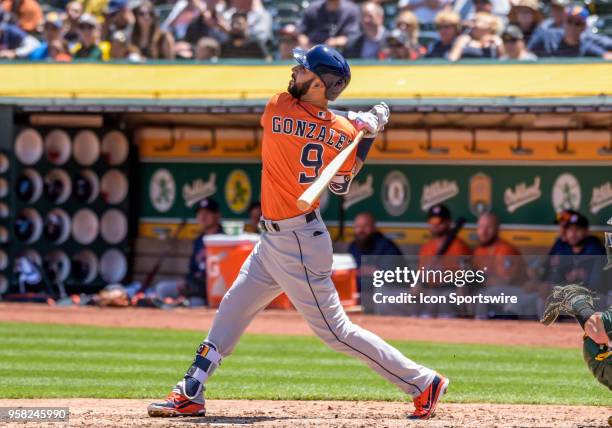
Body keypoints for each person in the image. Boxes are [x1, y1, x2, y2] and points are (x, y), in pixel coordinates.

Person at [148, 44, 449, 420]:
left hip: (297, 241)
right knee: (233, 307)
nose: (294, 70)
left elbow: (324, 145)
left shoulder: (282, 107)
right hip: (278, 239)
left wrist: (361, 127)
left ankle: (423, 382)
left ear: (321, 83)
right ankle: (191, 390)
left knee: (336, 332)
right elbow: (341, 182)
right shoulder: (335, 128)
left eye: (303, 69)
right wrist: (365, 132)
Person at [155, 197, 224, 306]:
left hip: (212, 291)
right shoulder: (199, 240)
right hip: (193, 286)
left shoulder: (225, 240)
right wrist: (186, 283)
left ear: (217, 215)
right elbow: (192, 269)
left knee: (195, 303)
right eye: (200, 213)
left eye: (207, 213)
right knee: (162, 289)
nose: (203, 217)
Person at [541, 284, 611, 391]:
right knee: (600, 332)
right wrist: (580, 306)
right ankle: (575, 298)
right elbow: (597, 329)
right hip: (600, 353)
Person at [472, 213, 538, 319]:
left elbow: (506, 282)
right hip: (493, 291)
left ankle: (480, 329)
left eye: (488, 227)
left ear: (497, 229)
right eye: (480, 227)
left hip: (519, 291)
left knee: (485, 295)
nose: (483, 232)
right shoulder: (478, 251)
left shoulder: (505, 249)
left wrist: (480, 279)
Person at [528, 4, 612, 58]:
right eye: (570, 21)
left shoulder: (586, 45)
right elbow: (526, 54)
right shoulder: (547, 36)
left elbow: (606, 56)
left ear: (584, 27)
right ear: (564, 22)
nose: (573, 26)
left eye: (578, 23)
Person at [348, 211, 402, 291]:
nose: (361, 230)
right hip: (361, 295)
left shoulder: (387, 246)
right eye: (358, 226)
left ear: (374, 228)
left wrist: (373, 272)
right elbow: (350, 274)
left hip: (389, 294)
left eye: (366, 226)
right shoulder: (353, 247)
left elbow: (391, 277)